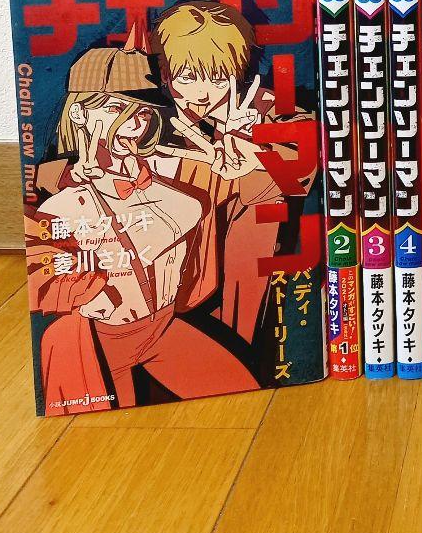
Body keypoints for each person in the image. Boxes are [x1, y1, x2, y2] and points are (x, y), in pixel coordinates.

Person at [27, 26, 258, 414]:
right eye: (116, 109)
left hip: (163, 328)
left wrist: (244, 167)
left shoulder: (179, 181)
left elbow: (258, 191)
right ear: (80, 113)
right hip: (97, 339)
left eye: (143, 112)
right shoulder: (61, 200)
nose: (134, 124)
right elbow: (44, 276)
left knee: (243, 389)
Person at [150, 0, 316, 345]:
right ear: (166, 75)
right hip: (167, 284)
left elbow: (308, 155)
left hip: (242, 286)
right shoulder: (150, 122)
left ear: (236, 72)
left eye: (216, 76)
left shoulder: (264, 108)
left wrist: (256, 156)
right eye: (188, 76)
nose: (202, 92)